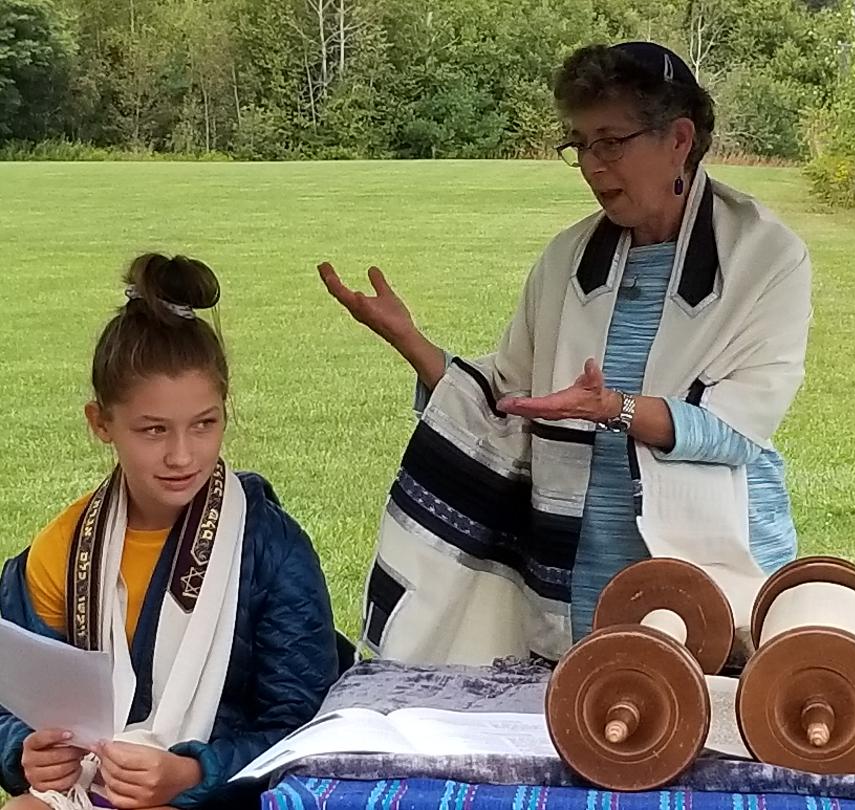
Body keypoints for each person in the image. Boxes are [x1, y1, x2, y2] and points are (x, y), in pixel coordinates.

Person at [319, 41, 811, 665]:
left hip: (718, 579)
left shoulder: (766, 258)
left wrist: (615, 408)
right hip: (579, 582)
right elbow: (508, 398)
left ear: (679, 139)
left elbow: (739, 428)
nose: (591, 165)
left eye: (610, 141)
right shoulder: (567, 258)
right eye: (578, 144)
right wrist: (410, 341)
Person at [0, 254, 340, 809]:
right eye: (153, 430)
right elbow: (9, 695)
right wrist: (23, 752)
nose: (183, 456)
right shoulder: (63, 548)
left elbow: (305, 730)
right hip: (92, 791)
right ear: (100, 423)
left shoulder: (269, 549)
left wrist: (190, 773)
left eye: (204, 424)